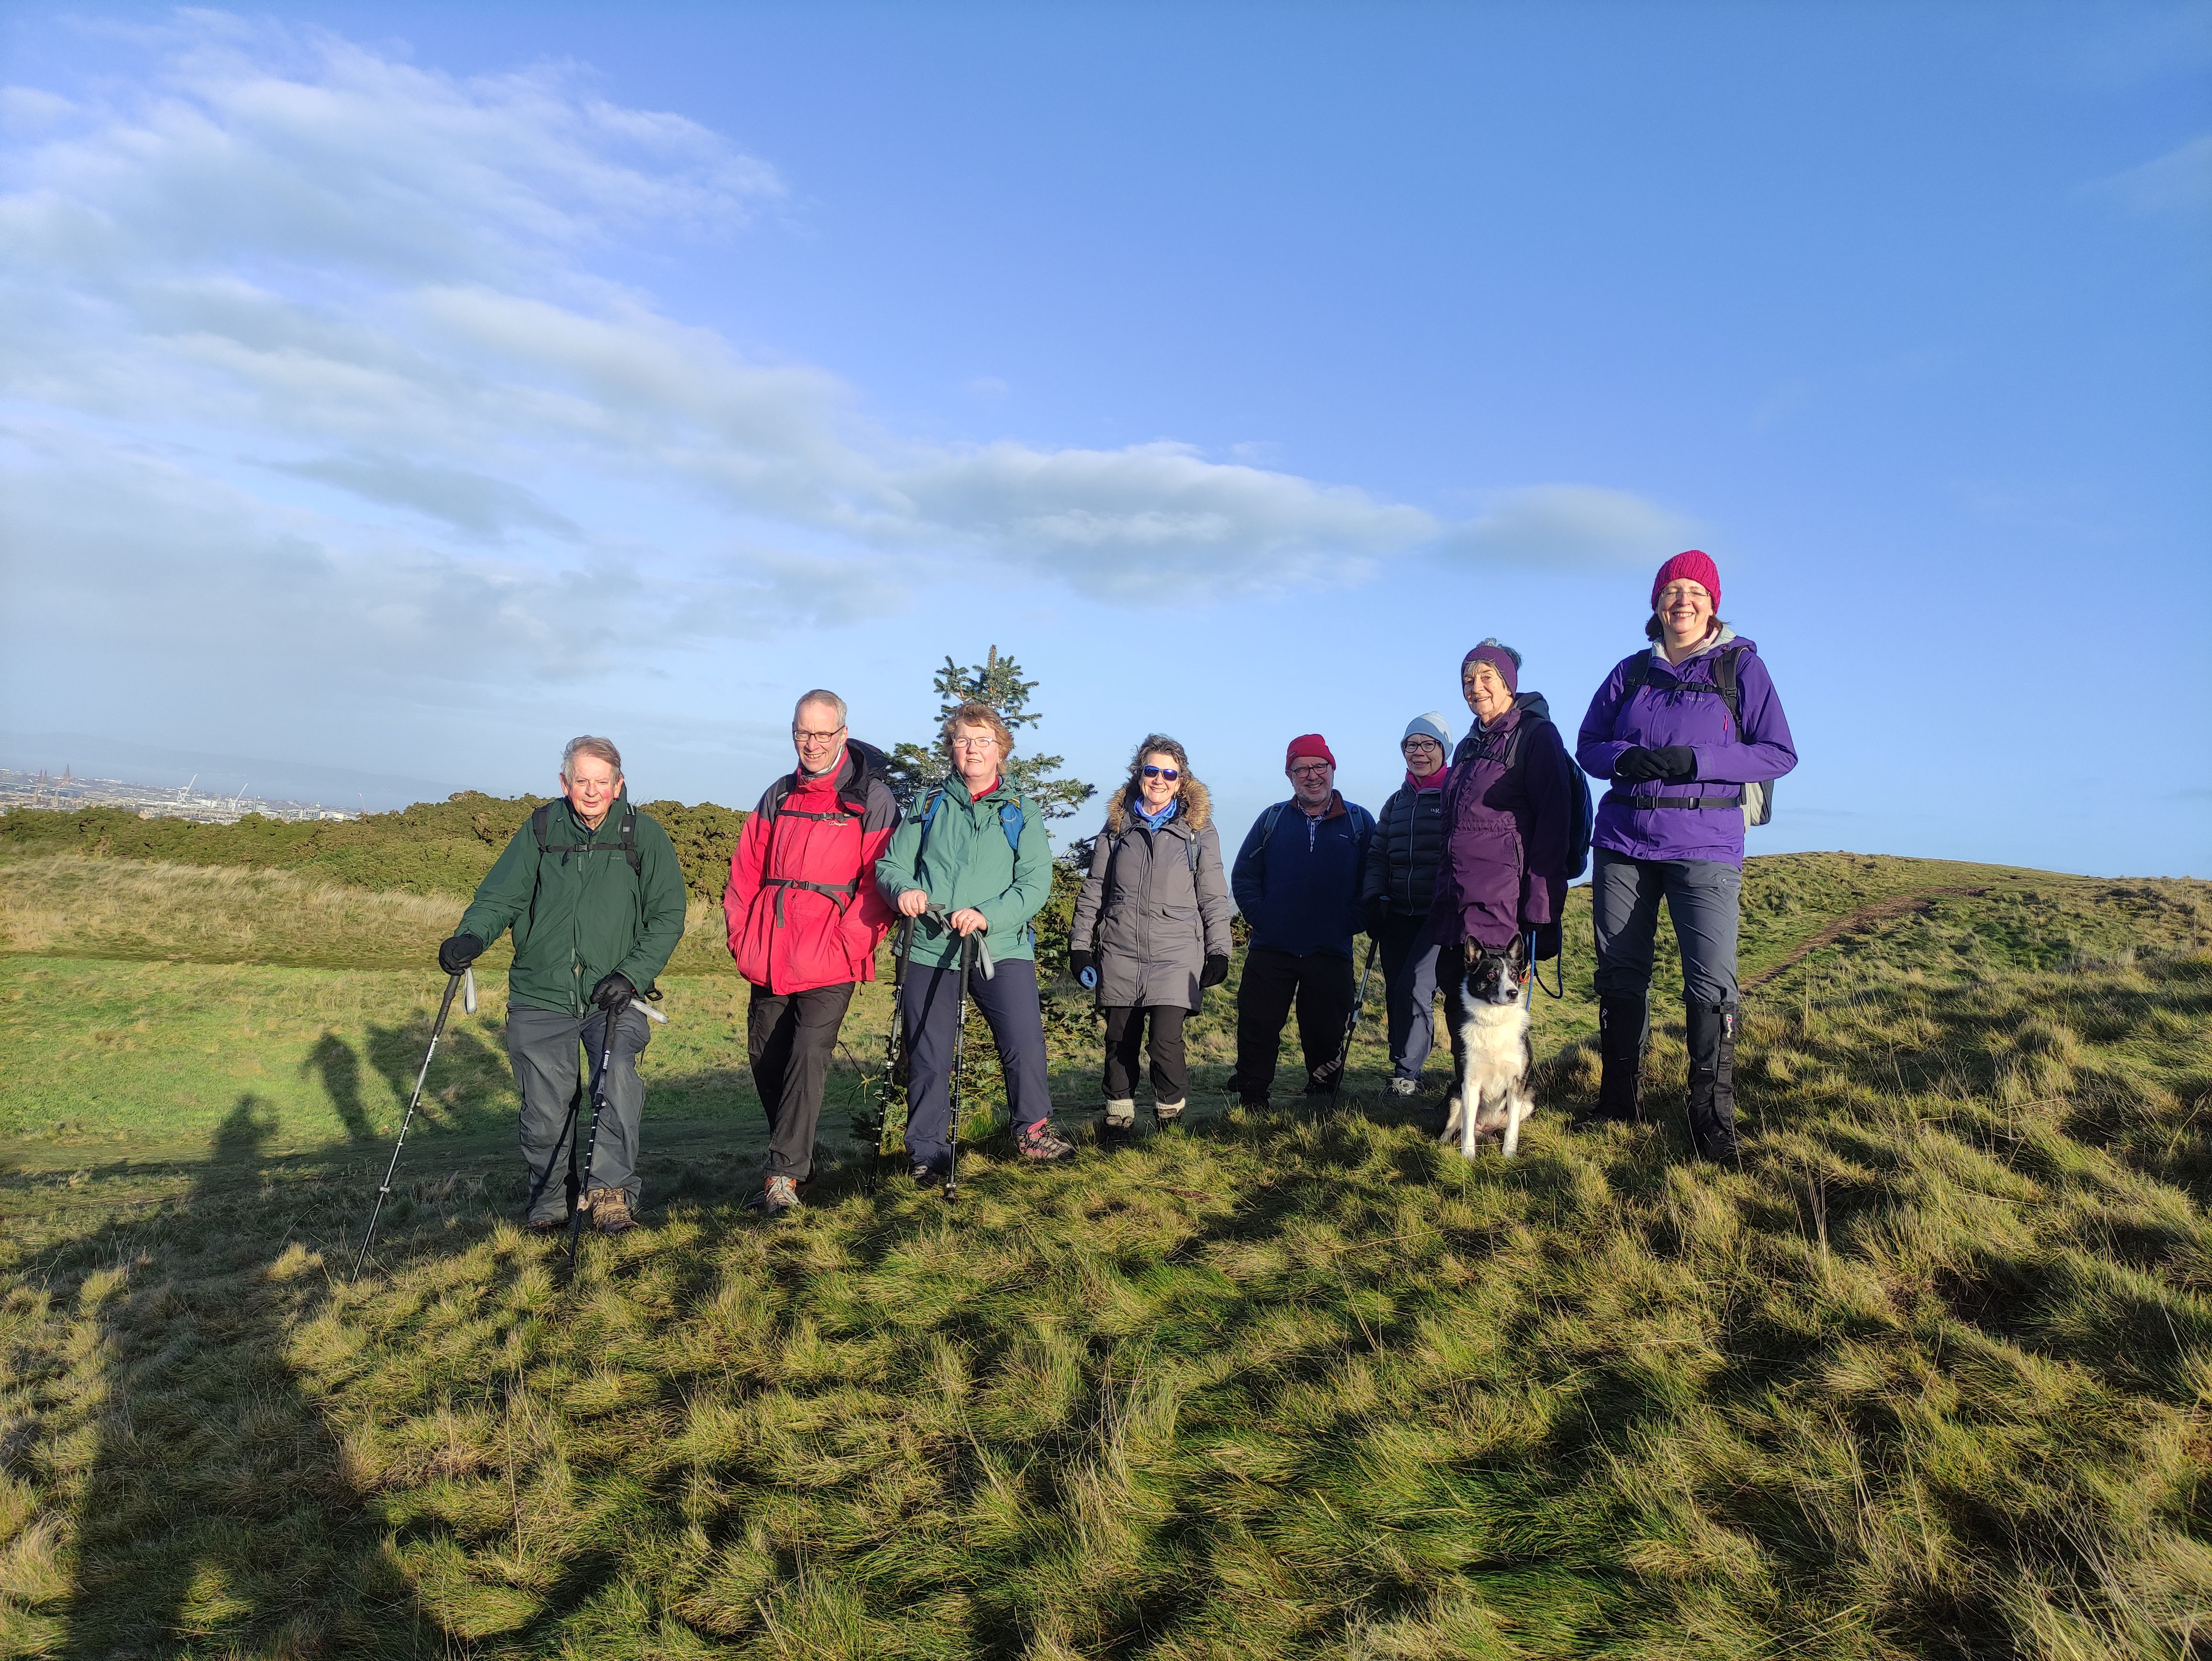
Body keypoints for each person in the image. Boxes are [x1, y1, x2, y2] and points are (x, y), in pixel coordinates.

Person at [1576, 551, 1797, 1157]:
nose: (1682, 601)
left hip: (1706, 844)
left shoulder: (1742, 670)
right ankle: (1617, 1101)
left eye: (1694, 592)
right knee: (1620, 975)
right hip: (1622, 842)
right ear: (1655, 603)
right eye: (1671, 590)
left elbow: (1778, 752)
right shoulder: (1630, 671)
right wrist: (1623, 758)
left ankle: (1710, 1116)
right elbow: (1588, 744)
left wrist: (1696, 762)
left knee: (1710, 981)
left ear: (1712, 604)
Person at [438, 736, 687, 1234]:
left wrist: (631, 975)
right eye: (581, 781)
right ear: (564, 783)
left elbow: (667, 917)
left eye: (601, 782)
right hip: (540, 991)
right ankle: (550, 1199)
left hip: (615, 997)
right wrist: (470, 936)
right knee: (545, 1109)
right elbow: (499, 897)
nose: (591, 791)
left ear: (618, 784)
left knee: (616, 1085)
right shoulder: (539, 830)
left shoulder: (645, 835)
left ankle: (610, 1194)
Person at [874, 700, 1076, 1175]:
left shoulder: (1021, 812)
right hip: (927, 946)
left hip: (999, 948)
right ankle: (927, 1153)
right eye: (963, 739)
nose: (972, 749)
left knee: (1024, 1042)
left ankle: (1032, 1133)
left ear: (1001, 748)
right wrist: (903, 891)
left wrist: (986, 915)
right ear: (952, 747)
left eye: (983, 740)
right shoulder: (929, 805)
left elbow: (1033, 884)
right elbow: (891, 866)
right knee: (928, 1054)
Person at [724, 689, 901, 1214]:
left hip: (832, 959)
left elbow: (878, 881)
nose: (812, 743)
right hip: (770, 952)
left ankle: (781, 1177)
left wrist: (849, 943)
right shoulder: (777, 794)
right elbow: (744, 871)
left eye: (824, 733)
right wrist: (742, 935)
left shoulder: (872, 798)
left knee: (807, 1055)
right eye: (803, 732)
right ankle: (798, 1157)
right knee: (765, 1056)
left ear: (843, 734)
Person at [1068, 735, 1235, 1133]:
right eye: (1152, 770)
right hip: (1121, 948)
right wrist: (1080, 946)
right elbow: (1096, 887)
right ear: (1139, 773)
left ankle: (1170, 1118)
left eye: (1169, 773)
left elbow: (1213, 894)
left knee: (1165, 1042)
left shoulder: (1199, 831)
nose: (1159, 779)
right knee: (1120, 1039)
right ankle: (1119, 1117)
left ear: (1181, 780)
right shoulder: (1117, 825)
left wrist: (1219, 952)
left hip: (1177, 951)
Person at [1428, 640, 1574, 1056]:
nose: (1476, 687)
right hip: (1458, 901)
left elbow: (1553, 822)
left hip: (1503, 903)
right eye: (1468, 679)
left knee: (1501, 1009)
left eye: (1486, 677)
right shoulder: (1471, 745)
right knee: (1460, 998)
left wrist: (1542, 911)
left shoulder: (1536, 736)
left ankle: (1508, 1102)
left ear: (1509, 682)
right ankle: (1466, 1099)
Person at [1226, 735, 1375, 1108]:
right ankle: (1252, 1096)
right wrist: (1263, 917)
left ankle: (1322, 1096)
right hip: (1272, 947)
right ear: (1290, 775)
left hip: (1330, 949)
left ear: (1332, 769)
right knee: (1258, 1025)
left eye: (1320, 767)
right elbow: (1244, 875)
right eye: (1302, 769)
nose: (1312, 776)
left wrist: (1350, 921)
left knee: (1325, 1030)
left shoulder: (1359, 822)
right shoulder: (1272, 819)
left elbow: (1374, 879)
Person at [1361, 713, 1456, 1096]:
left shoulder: (1455, 795)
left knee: (1416, 986)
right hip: (1398, 913)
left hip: (1439, 916)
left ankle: (1407, 1075)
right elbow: (1378, 853)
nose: (1419, 753)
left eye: (1428, 744)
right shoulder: (1396, 802)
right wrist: (1373, 896)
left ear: (1443, 750)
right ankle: (1402, 1068)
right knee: (1396, 990)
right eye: (1411, 745)